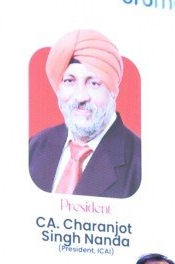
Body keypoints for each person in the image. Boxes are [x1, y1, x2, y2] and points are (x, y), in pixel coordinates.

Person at [28, 29, 141, 199]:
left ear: (113, 90)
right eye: (69, 81)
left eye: (93, 83)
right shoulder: (35, 147)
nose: (81, 97)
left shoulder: (140, 163)